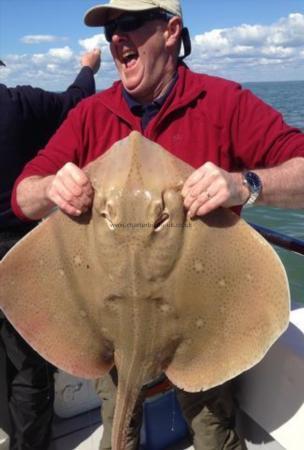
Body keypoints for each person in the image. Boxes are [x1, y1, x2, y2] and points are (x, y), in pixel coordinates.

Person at [10, 0, 304, 448]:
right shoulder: (91, 114)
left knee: (214, 434)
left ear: (171, 31)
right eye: (110, 29)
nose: (115, 38)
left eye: (128, 24)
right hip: (106, 331)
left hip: (201, 324)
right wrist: (51, 187)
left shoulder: (225, 103)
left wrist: (246, 184)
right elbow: (22, 196)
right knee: (118, 426)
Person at [0, 48, 101, 450]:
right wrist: (87, 67)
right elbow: (74, 101)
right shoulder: (20, 105)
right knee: (29, 365)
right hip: (17, 251)